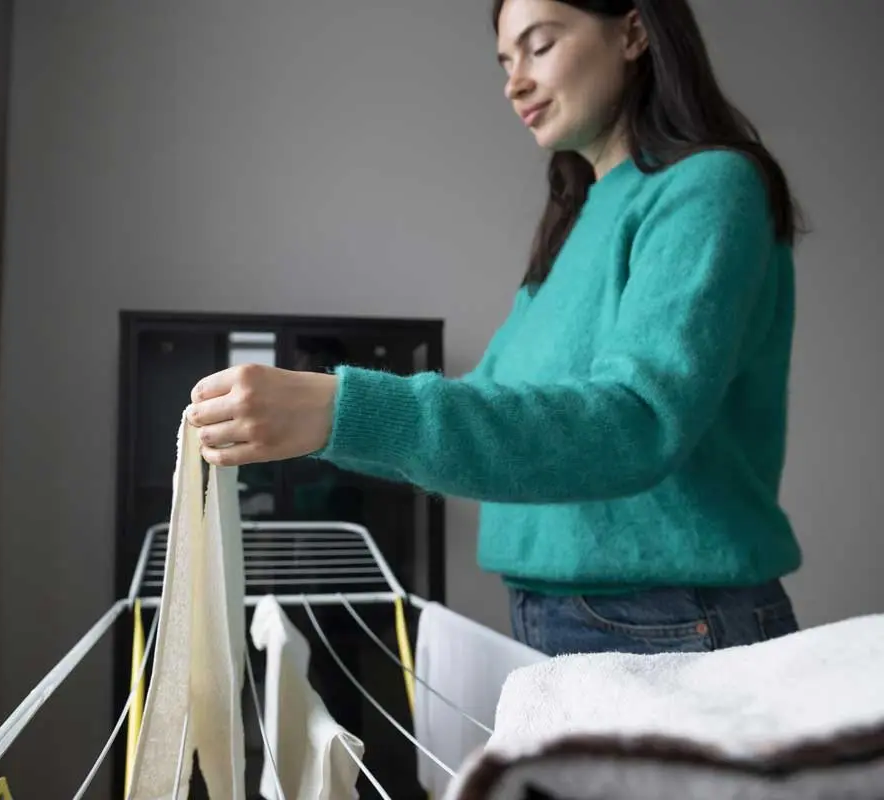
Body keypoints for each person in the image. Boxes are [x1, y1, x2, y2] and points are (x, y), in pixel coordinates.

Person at [185, 0, 805, 657]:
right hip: (561, 613)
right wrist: (316, 422)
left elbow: (637, 422)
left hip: (673, 620)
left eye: (538, 47)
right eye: (506, 61)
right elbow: (490, 401)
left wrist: (338, 408)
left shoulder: (708, 186)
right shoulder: (577, 219)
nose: (514, 82)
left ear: (632, 31)